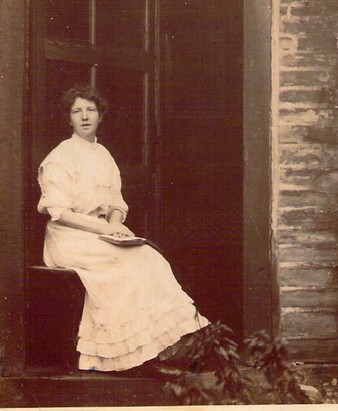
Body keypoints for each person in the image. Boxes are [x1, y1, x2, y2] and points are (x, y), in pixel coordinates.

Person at [37, 84, 209, 373]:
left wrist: (115, 223)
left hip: (100, 233)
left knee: (150, 258)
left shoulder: (103, 154)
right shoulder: (59, 157)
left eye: (90, 110)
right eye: (77, 111)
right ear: (69, 118)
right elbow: (60, 213)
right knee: (129, 263)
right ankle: (129, 353)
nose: (85, 116)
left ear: (100, 115)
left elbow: (116, 201)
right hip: (69, 238)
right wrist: (104, 229)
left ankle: (160, 347)